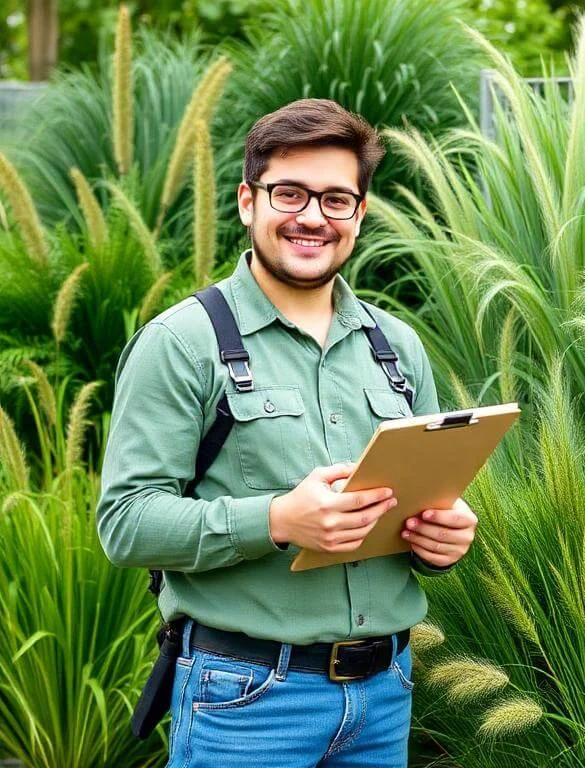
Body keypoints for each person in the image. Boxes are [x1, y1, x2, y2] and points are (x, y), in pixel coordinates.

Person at [96, 98, 478, 767]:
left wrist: (438, 540)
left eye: (336, 199)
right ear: (248, 201)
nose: (311, 217)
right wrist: (275, 519)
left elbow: (415, 511)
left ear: (359, 213)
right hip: (246, 701)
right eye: (290, 193)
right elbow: (125, 523)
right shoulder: (183, 344)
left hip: (384, 696)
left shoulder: (397, 347)